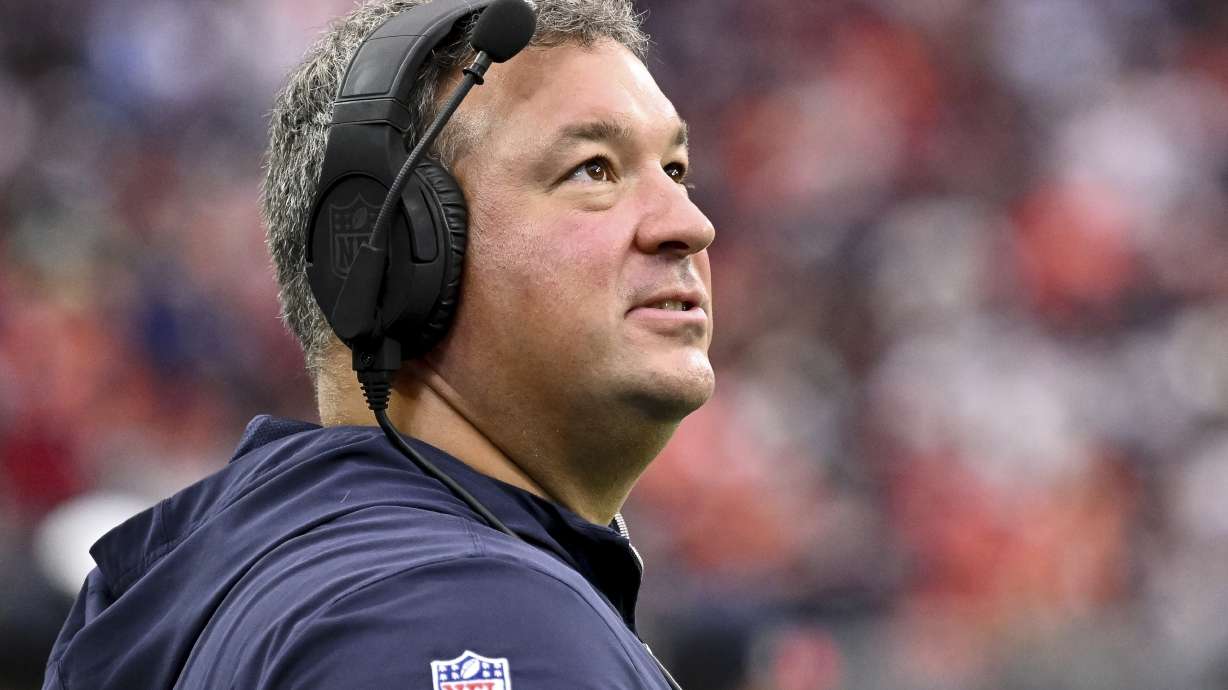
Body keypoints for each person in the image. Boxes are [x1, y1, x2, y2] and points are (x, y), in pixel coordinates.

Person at [42, 0, 715, 688]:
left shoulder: (265, 587)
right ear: (386, 255)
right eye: (593, 170)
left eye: (675, 170)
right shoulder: (466, 618)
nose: (689, 224)